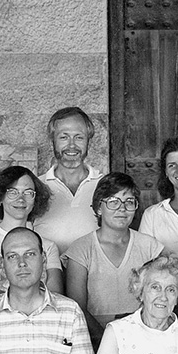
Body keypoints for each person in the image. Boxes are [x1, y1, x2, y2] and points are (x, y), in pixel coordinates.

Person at [64, 172, 163, 344]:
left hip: (143, 336)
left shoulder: (150, 248)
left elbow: (161, 297)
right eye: (113, 202)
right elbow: (77, 307)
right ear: (98, 208)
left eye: (129, 202)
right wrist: (106, 340)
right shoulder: (81, 249)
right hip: (93, 337)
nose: (122, 209)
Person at [0, 165, 63, 302]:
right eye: (12, 192)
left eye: (28, 193)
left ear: (36, 199)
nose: (21, 199)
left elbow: (55, 299)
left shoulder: (49, 246)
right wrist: (33, 298)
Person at [32, 106, 105, 253]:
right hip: (48, 273)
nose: (72, 145)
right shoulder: (35, 187)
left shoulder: (105, 186)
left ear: (88, 140)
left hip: (94, 274)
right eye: (64, 137)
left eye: (79, 137)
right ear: (52, 140)